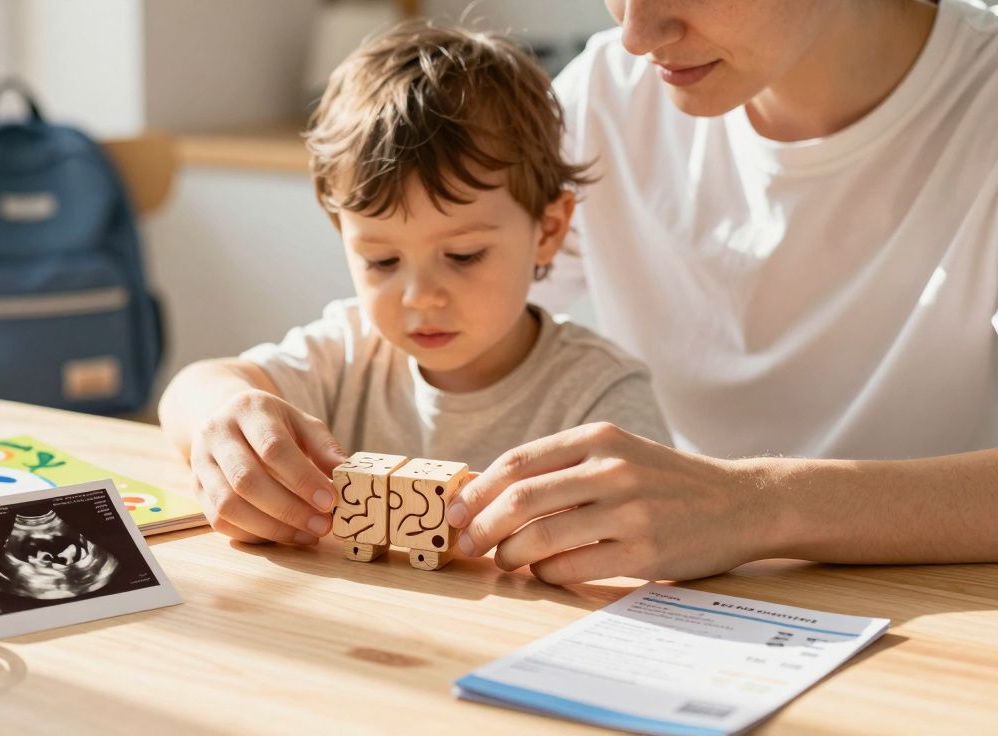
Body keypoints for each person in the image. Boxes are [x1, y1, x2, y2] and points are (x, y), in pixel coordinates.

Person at [447, 0, 998, 586]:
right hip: (686, 599)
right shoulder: (610, 91)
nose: (636, 35)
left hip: (939, 611)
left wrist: (756, 506)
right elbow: (444, 314)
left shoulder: (980, 98)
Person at [158, 25, 671, 547]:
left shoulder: (601, 394)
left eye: (463, 255)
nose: (420, 296)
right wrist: (224, 415)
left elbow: (655, 532)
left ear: (550, 230)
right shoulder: (347, 352)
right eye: (382, 260)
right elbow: (191, 389)